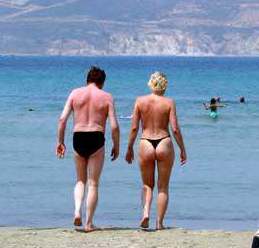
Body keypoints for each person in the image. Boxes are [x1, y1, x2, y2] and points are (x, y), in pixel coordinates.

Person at [56, 66, 120, 232]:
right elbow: (114, 126)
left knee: (80, 180)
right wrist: (116, 145)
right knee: (93, 184)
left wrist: (60, 141)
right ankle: (88, 223)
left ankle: (77, 211)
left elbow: (62, 119)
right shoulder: (106, 97)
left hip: (78, 137)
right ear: (102, 82)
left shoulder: (75, 93)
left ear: (87, 80)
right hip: (96, 137)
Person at [125, 71, 186, 230]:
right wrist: (182, 149)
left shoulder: (140, 101)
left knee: (146, 184)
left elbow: (133, 128)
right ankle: (159, 223)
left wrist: (129, 147)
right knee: (163, 186)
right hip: (164, 141)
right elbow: (175, 129)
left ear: (151, 83)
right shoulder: (169, 102)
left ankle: (145, 213)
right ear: (165, 85)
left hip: (145, 142)